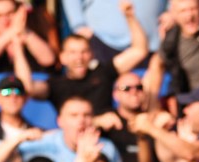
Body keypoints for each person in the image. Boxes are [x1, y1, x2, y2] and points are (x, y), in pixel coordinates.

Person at [16, 2, 149, 115]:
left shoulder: (103, 73)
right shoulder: (56, 84)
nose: (79, 58)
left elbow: (139, 50)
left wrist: (130, 17)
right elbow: (27, 87)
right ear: (62, 57)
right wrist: (18, 48)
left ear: (91, 54)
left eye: (84, 52)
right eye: (72, 53)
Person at [14, 97, 125, 162]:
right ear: (60, 121)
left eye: (87, 115)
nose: (81, 120)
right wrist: (18, 138)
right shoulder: (44, 143)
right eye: (74, 115)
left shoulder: (106, 147)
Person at [0, 0, 58, 77]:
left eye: (10, 13)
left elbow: (48, 59)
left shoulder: (32, 35)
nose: (5, 19)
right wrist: (13, 31)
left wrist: (24, 32)